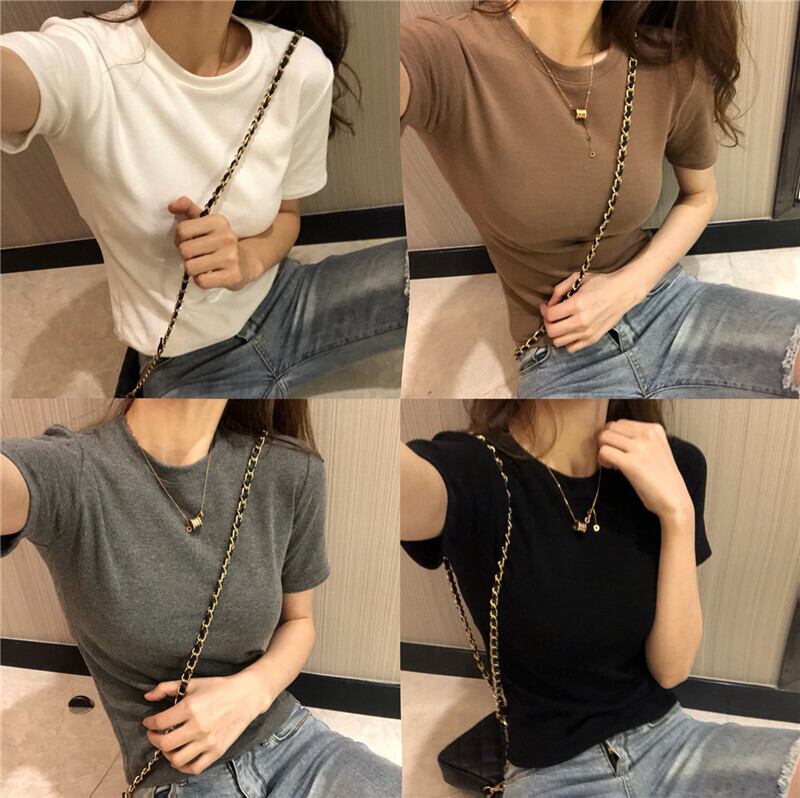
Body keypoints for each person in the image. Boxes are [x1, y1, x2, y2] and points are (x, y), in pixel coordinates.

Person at [1, 1, 407, 398]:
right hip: (183, 365)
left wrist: (248, 260)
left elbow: (288, 214)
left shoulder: (299, 63)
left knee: (413, 272)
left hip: (286, 298)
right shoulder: (87, 60)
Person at [1, 399, 401, 796]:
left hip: (293, 742)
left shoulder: (290, 468)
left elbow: (299, 621)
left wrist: (252, 692)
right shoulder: (72, 470)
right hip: (177, 773)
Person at [400, 0, 800, 398]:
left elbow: (701, 195)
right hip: (559, 348)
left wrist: (629, 286)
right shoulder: (446, 55)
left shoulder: (669, 61)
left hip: (667, 303)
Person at [400, 399, 800, 797]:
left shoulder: (671, 463)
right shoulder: (473, 469)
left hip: (671, 742)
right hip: (553, 770)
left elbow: (671, 670)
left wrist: (677, 514)